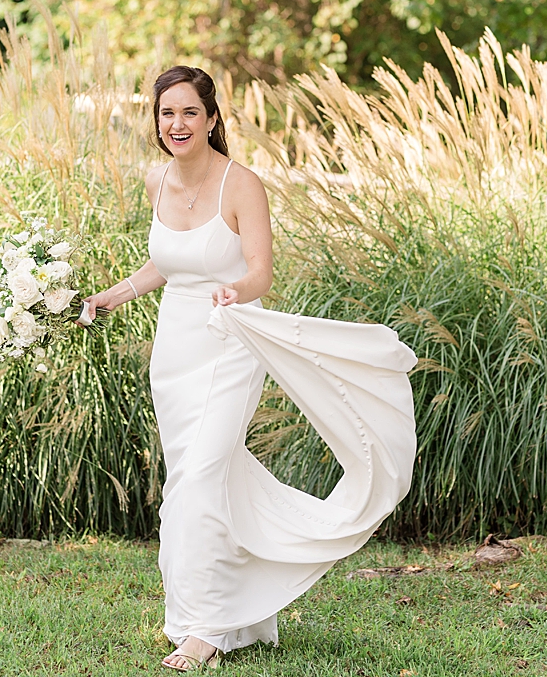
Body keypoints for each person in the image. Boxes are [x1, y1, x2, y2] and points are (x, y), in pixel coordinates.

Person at [84, 65, 418, 672]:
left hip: (229, 343)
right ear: (156, 123)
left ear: (211, 118)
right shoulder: (160, 180)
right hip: (174, 351)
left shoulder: (243, 185)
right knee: (196, 477)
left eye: (189, 112)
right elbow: (166, 263)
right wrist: (115, 294)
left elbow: (260, 272)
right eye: (167, 114)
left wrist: (234, 291)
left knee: (199, 480)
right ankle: (233, 611)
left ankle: (203, 630)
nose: (177, 124)